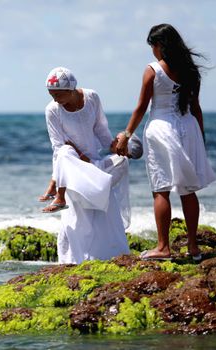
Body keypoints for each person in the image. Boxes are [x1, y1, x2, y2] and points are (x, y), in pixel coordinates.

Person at [115, 24, 216, 261]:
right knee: (188, 189)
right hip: (188, 127)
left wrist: (126, 136)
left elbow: (141, 107)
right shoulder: (191, 71)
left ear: (160, 45)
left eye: (152, 45)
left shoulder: (153, 70)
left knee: (160, 189)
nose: (152, 50)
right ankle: (193, 248)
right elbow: (196, 108)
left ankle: (163, 247)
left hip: (162, 129)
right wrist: (200, 139)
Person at [41, 66, 131, 264]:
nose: (54, 99)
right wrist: (54, 181)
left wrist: (114, 146)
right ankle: (74, 258)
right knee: (65, 152)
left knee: (122, 162)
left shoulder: (91, 98)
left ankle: (108, 257)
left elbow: (100, 129)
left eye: (58, 94)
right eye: (51, 94)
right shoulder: (52, 110)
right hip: (71, 167)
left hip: (92, 162)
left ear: (71, 89)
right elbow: (59, 148)